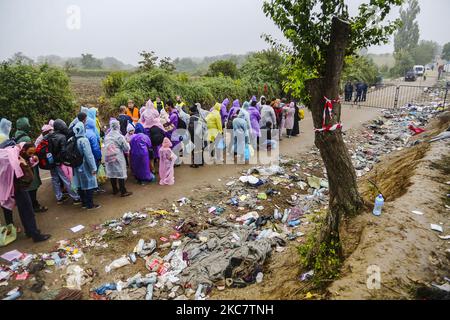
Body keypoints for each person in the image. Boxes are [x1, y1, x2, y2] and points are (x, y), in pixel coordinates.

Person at [1, 142, 51, 242]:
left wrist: (31, 160)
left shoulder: (16, 153)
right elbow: (27, 177)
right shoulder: (15, 157)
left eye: (33, 153)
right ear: (23, 149)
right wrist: (25, 165)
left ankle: (29, 231)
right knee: (28, 211)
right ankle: (35, 235)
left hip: (14, 186)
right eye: (30, 153)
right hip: (18, 187)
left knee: (23, 210)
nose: (32, 155)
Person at [14, 117, 48, 213]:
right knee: (33, 185)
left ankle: (31, 204)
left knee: (27, 187)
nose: (29, 125)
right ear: (24, 125)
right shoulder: (25, 138)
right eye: (27, 123)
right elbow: (30, 153)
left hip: (23, 164)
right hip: (29, 165)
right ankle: (34, 205)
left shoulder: (17, 134)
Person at [48, 119, 82, 205]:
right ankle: (76, 198)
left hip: (51, 162)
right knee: (66, 179)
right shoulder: (62, 137)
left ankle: (59, 197)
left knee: (55, 179)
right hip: (60, 162)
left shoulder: (50, 135)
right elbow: (64, 151)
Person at [71, 122, 100, 210]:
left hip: (75, 165)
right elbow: (89, 155)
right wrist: (93, 168)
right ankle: (90, 204)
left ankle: (83, 203)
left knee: (79, 184)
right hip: (84, 165)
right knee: (89, 183)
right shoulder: (84, 140)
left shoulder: (72, 139)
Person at [104, 119, 132, 197]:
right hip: (117, 155)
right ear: (118, 126)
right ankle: (123, 191)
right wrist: (127, 147)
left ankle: (115, 189)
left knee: (112, 172)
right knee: (120, 172)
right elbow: (125, 147)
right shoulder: (119, 136)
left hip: (108, 156)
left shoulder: (107, 135)